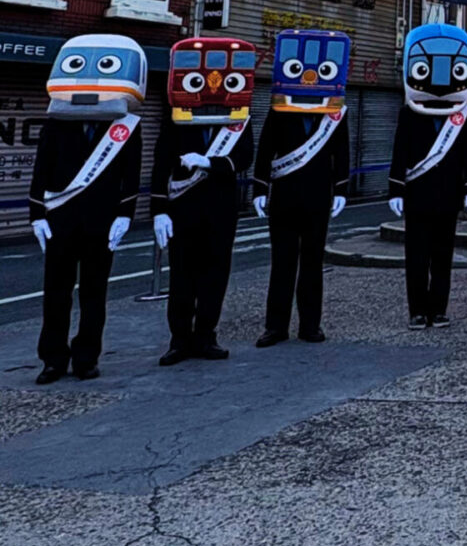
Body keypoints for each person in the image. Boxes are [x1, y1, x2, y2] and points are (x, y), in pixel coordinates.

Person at [30, 35, 146, 384]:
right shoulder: (56, 122)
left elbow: (131, 173)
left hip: (102, 221)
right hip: (60, 219)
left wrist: (125, 214)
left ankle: (86, 357)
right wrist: (36, 215)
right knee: (56, 293)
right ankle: (52, 359)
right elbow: (41, 168)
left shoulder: (126, 125)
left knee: (95, 293)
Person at [150, 37, 256, 366]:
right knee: (181, 275)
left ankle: (206, 336)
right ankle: (179, 340)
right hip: (182, 209)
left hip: (221, 210)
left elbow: (245, 156)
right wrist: (159, 211)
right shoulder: (176, 117)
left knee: (215, 275)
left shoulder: (240, 120)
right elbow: (160, 163)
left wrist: (210, 162)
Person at [253, 29, 351, 347]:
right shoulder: (279, 108)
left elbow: (342, 152)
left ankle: (310, 325)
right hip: (283, 196)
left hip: (319, 196)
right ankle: (275, 327)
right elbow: (265, 148)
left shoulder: (336, 114)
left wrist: (341, 190)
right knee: (281, 263)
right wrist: (259, 188)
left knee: (312, 263)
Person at [389, 25, 467, 329]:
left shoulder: (465, 114)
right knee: (416, 255)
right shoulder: (409, 112)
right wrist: (395, 189)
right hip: (417, 194)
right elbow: (399, 151)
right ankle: (417, 310)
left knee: (443, 255)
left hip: (449, 193)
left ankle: (439, 309)